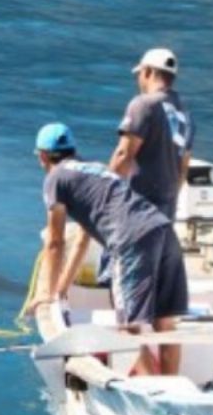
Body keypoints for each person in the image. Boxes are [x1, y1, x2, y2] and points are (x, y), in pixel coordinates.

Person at [26, 122, 188, 376]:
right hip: (163, 229)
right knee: (164, 322)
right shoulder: (97, 170)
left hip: (131, 240)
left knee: (129, 328)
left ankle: (152, 397)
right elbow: (82, 239)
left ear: (43, 156)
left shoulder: (55, 179)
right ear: (73, 151)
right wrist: (61, 289)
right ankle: (173, 387)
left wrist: (46, 294)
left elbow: (55, 243)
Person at [110, 47, 194, 220]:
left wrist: (102, 192)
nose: (138, 80)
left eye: (139, 74)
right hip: (165, 213)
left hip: (139, 209)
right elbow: (183, 168)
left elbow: (123, 155)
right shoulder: (186, 114)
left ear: (147, 72)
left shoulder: (144, 105)